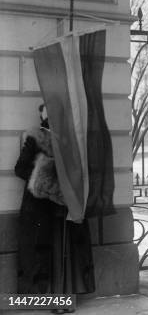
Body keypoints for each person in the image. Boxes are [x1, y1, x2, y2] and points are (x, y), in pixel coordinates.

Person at [14, 104, 95, 313]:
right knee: (47, 253)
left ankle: (66, 298)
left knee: (67, 251)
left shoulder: (71, 139)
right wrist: (45, 175)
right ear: (42, 114)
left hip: (65, 205)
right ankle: (53, 300)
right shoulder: (36, 138)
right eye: (47, 111)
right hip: (41, 207)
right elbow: (20, 168)